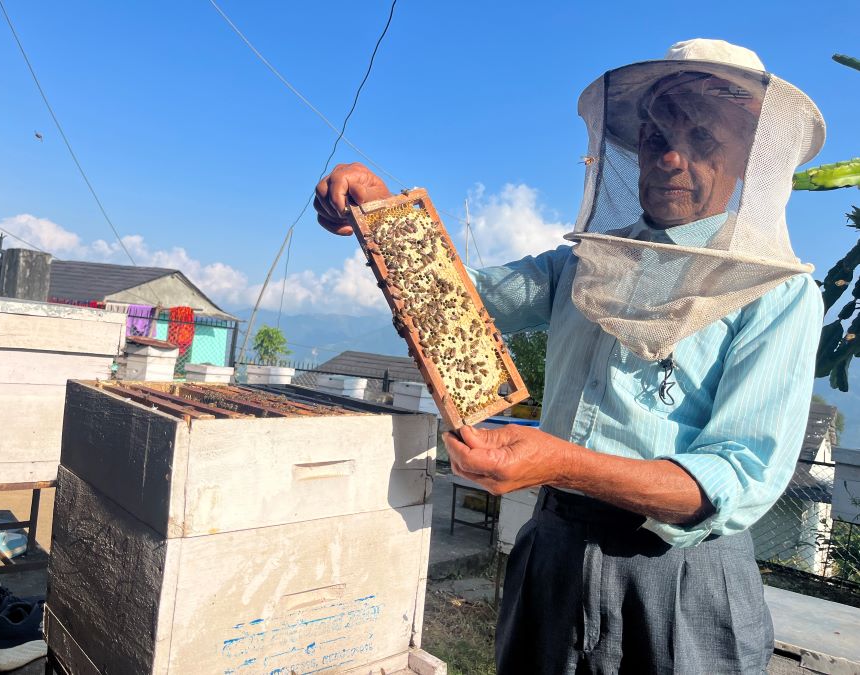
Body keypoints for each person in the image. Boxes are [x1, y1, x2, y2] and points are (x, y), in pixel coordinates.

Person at [314, 39, 825, 674]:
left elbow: (736, 478)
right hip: (553, 550)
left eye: (701, 138)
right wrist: (383, 215)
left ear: (748, 154)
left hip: (678, 577)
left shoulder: (778, 293)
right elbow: (449, 296)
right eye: (655, 135)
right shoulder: (584, 263)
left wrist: (560, 460)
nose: (670, 157)